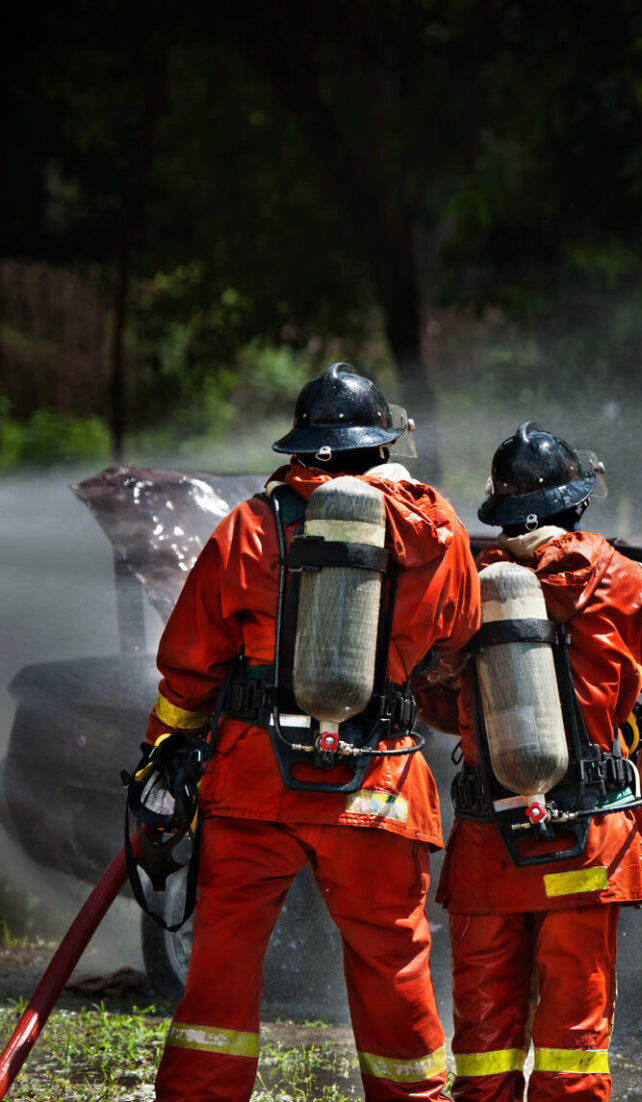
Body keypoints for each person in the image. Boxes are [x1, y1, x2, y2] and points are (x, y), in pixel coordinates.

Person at [141, 363, 478, 1101]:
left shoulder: (250, 526)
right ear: (379, 446)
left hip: (256, 781)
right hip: (378, 784)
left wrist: (158, 757)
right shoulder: (438, 531)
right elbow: (456, 639)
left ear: (304, 450)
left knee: (221, 974)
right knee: (394, 970)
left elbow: (191, 668)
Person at [415, 422, 642, 1102]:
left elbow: (432, 699)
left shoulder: (468, 590)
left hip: (490, 844)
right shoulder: (618, 578)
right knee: (572, 1036)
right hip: (582, 845)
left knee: (483, 1045)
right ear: (574, 503)